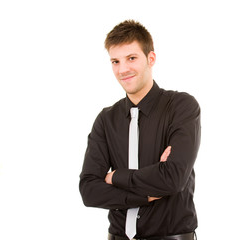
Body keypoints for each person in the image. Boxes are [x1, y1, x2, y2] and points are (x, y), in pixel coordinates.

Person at [79, 20, 201, 240]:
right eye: (115, 61)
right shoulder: (106, 119)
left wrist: (115, 177)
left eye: (131, 58)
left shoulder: (181, 106)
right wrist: (146, 195)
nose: (123, 69)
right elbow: (89, 191)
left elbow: (173, 178)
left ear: (150, 59)